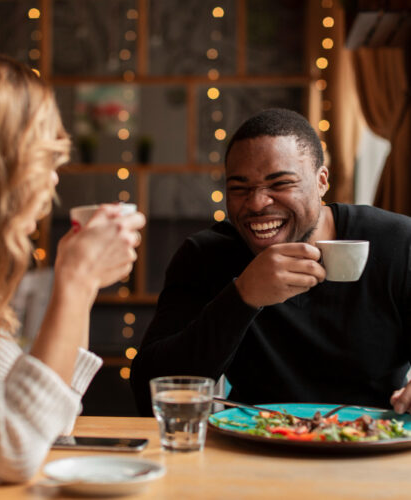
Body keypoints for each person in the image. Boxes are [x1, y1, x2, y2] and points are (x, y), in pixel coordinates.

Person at [0, 45, 145, 500]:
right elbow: (14, 447)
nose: (54, 179)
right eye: (44, 158)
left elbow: (47, 419)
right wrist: (74, 285)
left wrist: (80, 281)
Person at [130, 108, 411, 418]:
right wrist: (243, 297)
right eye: (239, 188)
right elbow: (149, 391)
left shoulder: (397, 242)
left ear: (321, 182)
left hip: (377, 446)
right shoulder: (205, 255)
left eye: (280, 184)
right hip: (252, 447)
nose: (256, 203)